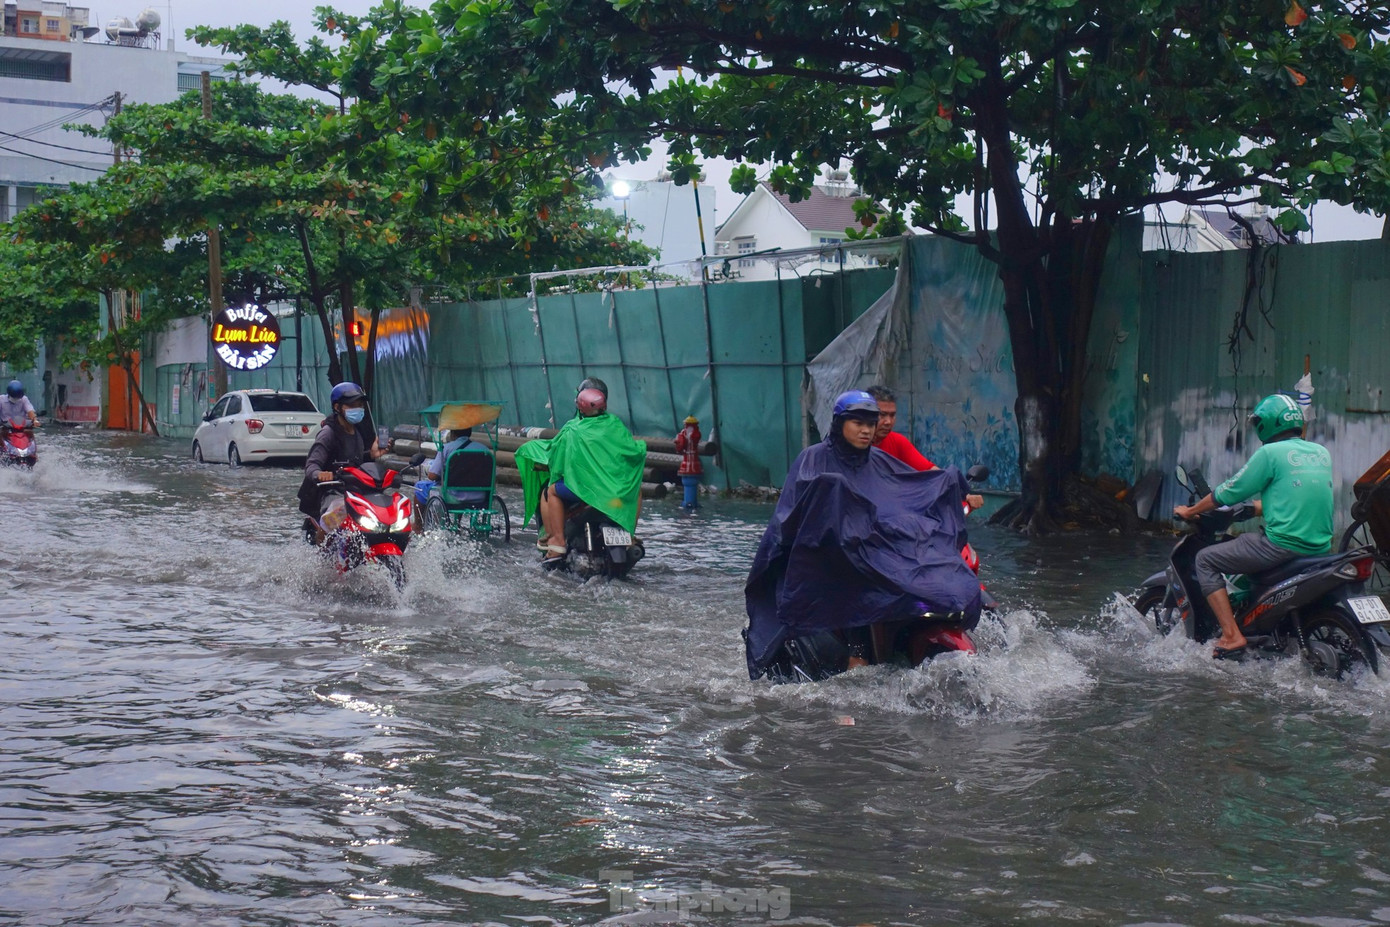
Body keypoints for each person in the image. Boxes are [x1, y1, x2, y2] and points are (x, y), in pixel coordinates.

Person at [743, 390, 982, 679]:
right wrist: (834, 505)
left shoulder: (879, 460)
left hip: (872, 542)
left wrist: (955, 487)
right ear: (840, 423)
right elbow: (796, 511)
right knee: (855, 569)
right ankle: (858, 651)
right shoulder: (814, 459)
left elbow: (912, 487)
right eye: (858, 423)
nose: (866, 430)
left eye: (871, 423)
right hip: (824, 549)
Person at [1174, 393, 1334, 658]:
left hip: (1281, 546)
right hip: (1320, 548)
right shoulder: (1321, 452)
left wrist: (1190, 511)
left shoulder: (1270, 453)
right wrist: (1255, 508)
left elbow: (1228, 492)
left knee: (1205, 560)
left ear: (1268, 423)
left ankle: (1231, 635)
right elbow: (1295, 496)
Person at [516, 385, 646, 566]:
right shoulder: (616, 425)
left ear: (580, 406)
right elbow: (634, 451)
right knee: (636, 489)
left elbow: (555, 454)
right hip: (614, 492)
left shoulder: (573, 429)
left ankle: (557, 542)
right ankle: (629, 534)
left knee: (552, 491)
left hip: (584, 491)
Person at [867, 385, 983, 511]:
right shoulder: (854, 447)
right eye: (882, 415)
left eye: (892, 415)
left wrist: (964, 494)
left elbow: (932, 472)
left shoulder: (897, 441)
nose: (888, 422)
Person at [297, 381, 384, 537]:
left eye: (360, 405)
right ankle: (322, 549)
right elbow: (311, 465)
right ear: (337, 407)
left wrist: (371, 455)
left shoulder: (357, 432)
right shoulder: (328, 433)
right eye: (352, 405)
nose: (358, 409)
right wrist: (320, 474)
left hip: (353, 490)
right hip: (329, 492)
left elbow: (354, 461)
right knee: (337, 513)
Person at [674, 415, 703, 510]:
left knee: (690, 481)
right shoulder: (685, 433)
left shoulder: (694, 434)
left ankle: (689, 502)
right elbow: (680, 444)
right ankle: (690, 502)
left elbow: (694, 438)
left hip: (690, 462)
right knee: (690, 481)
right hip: (690, 462)